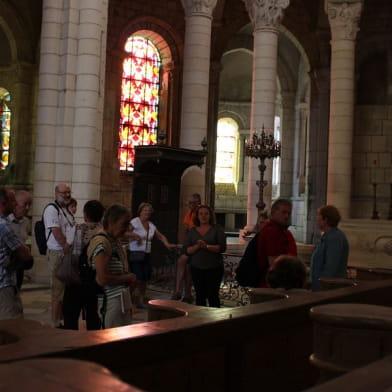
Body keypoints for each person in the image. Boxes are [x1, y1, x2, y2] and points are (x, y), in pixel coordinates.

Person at [88, 204, 137, 328]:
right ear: (111, 222)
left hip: (120, 301)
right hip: (110, 302)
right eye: (124, 224)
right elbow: (102, 278)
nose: (127, 228)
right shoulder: (102, 243)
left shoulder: (114, 240)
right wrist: (128, 278)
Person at [62, 200, 105, 330]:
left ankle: (72, 343)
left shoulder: (76, 228)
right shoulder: (103, 232)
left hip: (76, 276)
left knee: (70, 314)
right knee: (92, 313)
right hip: (93, 277)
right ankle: (93, 343)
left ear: (85, 215)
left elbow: (67, 248)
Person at [128, 202, 175, 309]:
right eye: (145, 210)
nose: (147, 212)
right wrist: (135, 235)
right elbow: (124, 232)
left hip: (146, 254)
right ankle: (128, 298)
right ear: (140, 211)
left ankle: (140, 300)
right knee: (136, 278)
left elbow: (160, 236)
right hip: (135, 253)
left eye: (149, 211)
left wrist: (167, 243)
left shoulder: (151, 225)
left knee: (144, 278)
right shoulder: (135, 222)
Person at [43, 183, 75, 327]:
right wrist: (65, 246)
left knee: (64, 289)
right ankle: (55, 322)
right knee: (58, 288)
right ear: (56, 193)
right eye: (64, 193)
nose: (67, 195)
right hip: (58, 252)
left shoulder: (65, 210)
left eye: (68, 192)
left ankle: (60, 320)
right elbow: (55, 230)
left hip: (65, 252)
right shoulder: (51, 209)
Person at [184, 205, 226, 308]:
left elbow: (222, 247)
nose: (203, 216)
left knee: (213, 296)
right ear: (197, 216)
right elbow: (187, 250)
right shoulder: (193, 231)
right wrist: (198, 246)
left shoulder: (217, 229)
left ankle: (215, 322)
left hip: (214, 268)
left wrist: (207, 246)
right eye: (201, 214)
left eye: (206, 213)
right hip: (197, 268)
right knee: (200, 296)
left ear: (210, 215)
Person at [0, 187, 32, 320]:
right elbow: (25, 254)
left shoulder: (24, 222)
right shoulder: (3, 225)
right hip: (4, 282)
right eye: (13, 201)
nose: (15, 204)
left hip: (10, 275)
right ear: (3, 203)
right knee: (12, 323)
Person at [257, 199, 297, 287]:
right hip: (275, 284)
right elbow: (274, 263)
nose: (286, 216)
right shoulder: (272, 231)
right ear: (273, 212)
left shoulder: (279, 230)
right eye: (283, 212)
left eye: (288, 213)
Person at [310, 205, 349, 291]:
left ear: (325, 219)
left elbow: (331, 267)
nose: (316, 219)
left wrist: (321, 287)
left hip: (328, 288)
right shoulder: (327, 236)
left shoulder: (335, 237)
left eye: (318, 216)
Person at [171, 193, 201, 302]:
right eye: (188, 203)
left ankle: (180, 291)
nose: (189, 205)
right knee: (185, 266)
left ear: (198, 203)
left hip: (197, 243)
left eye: (192, 203)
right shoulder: (190, 213)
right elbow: (187, 228)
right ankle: (184, 293)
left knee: (184, 263)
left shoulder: (200, 213)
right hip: (189, 243)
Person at [7, 190, 34, 289]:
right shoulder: (4, 222)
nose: (27, 208)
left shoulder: (26, 222)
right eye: (25, 204)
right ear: (15, 203)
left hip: (19, 266)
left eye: (29, 204)